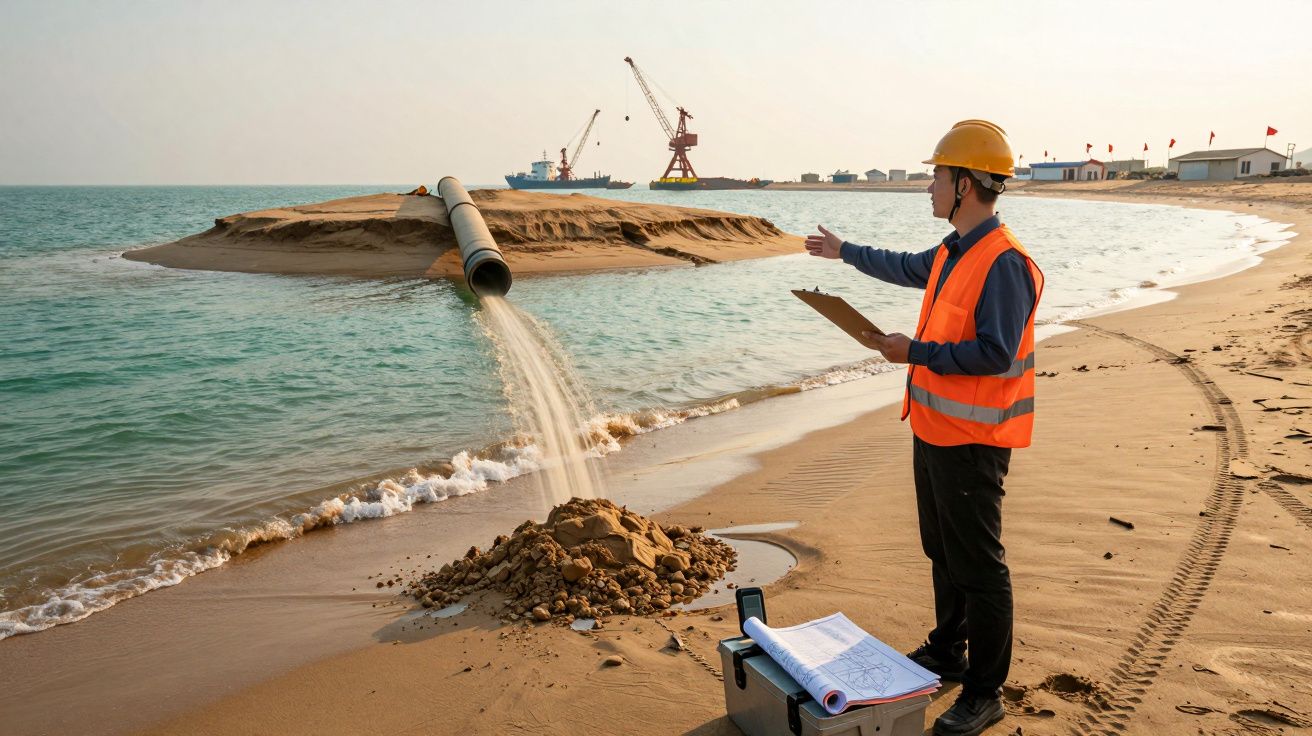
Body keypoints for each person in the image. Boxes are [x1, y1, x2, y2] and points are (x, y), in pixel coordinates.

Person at [804, 119, 1044, 736]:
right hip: (935, 430)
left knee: (980, 567)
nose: (929, 187)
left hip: (974, 442)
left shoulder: (1005, 263)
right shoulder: (953, 250)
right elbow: (904, 266)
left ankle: (985, 692)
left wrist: (914, 352)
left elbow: (995, 354)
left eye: (937, 176)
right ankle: (947, 651)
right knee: (943, 551)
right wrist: (844, 252)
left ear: (965, 184)